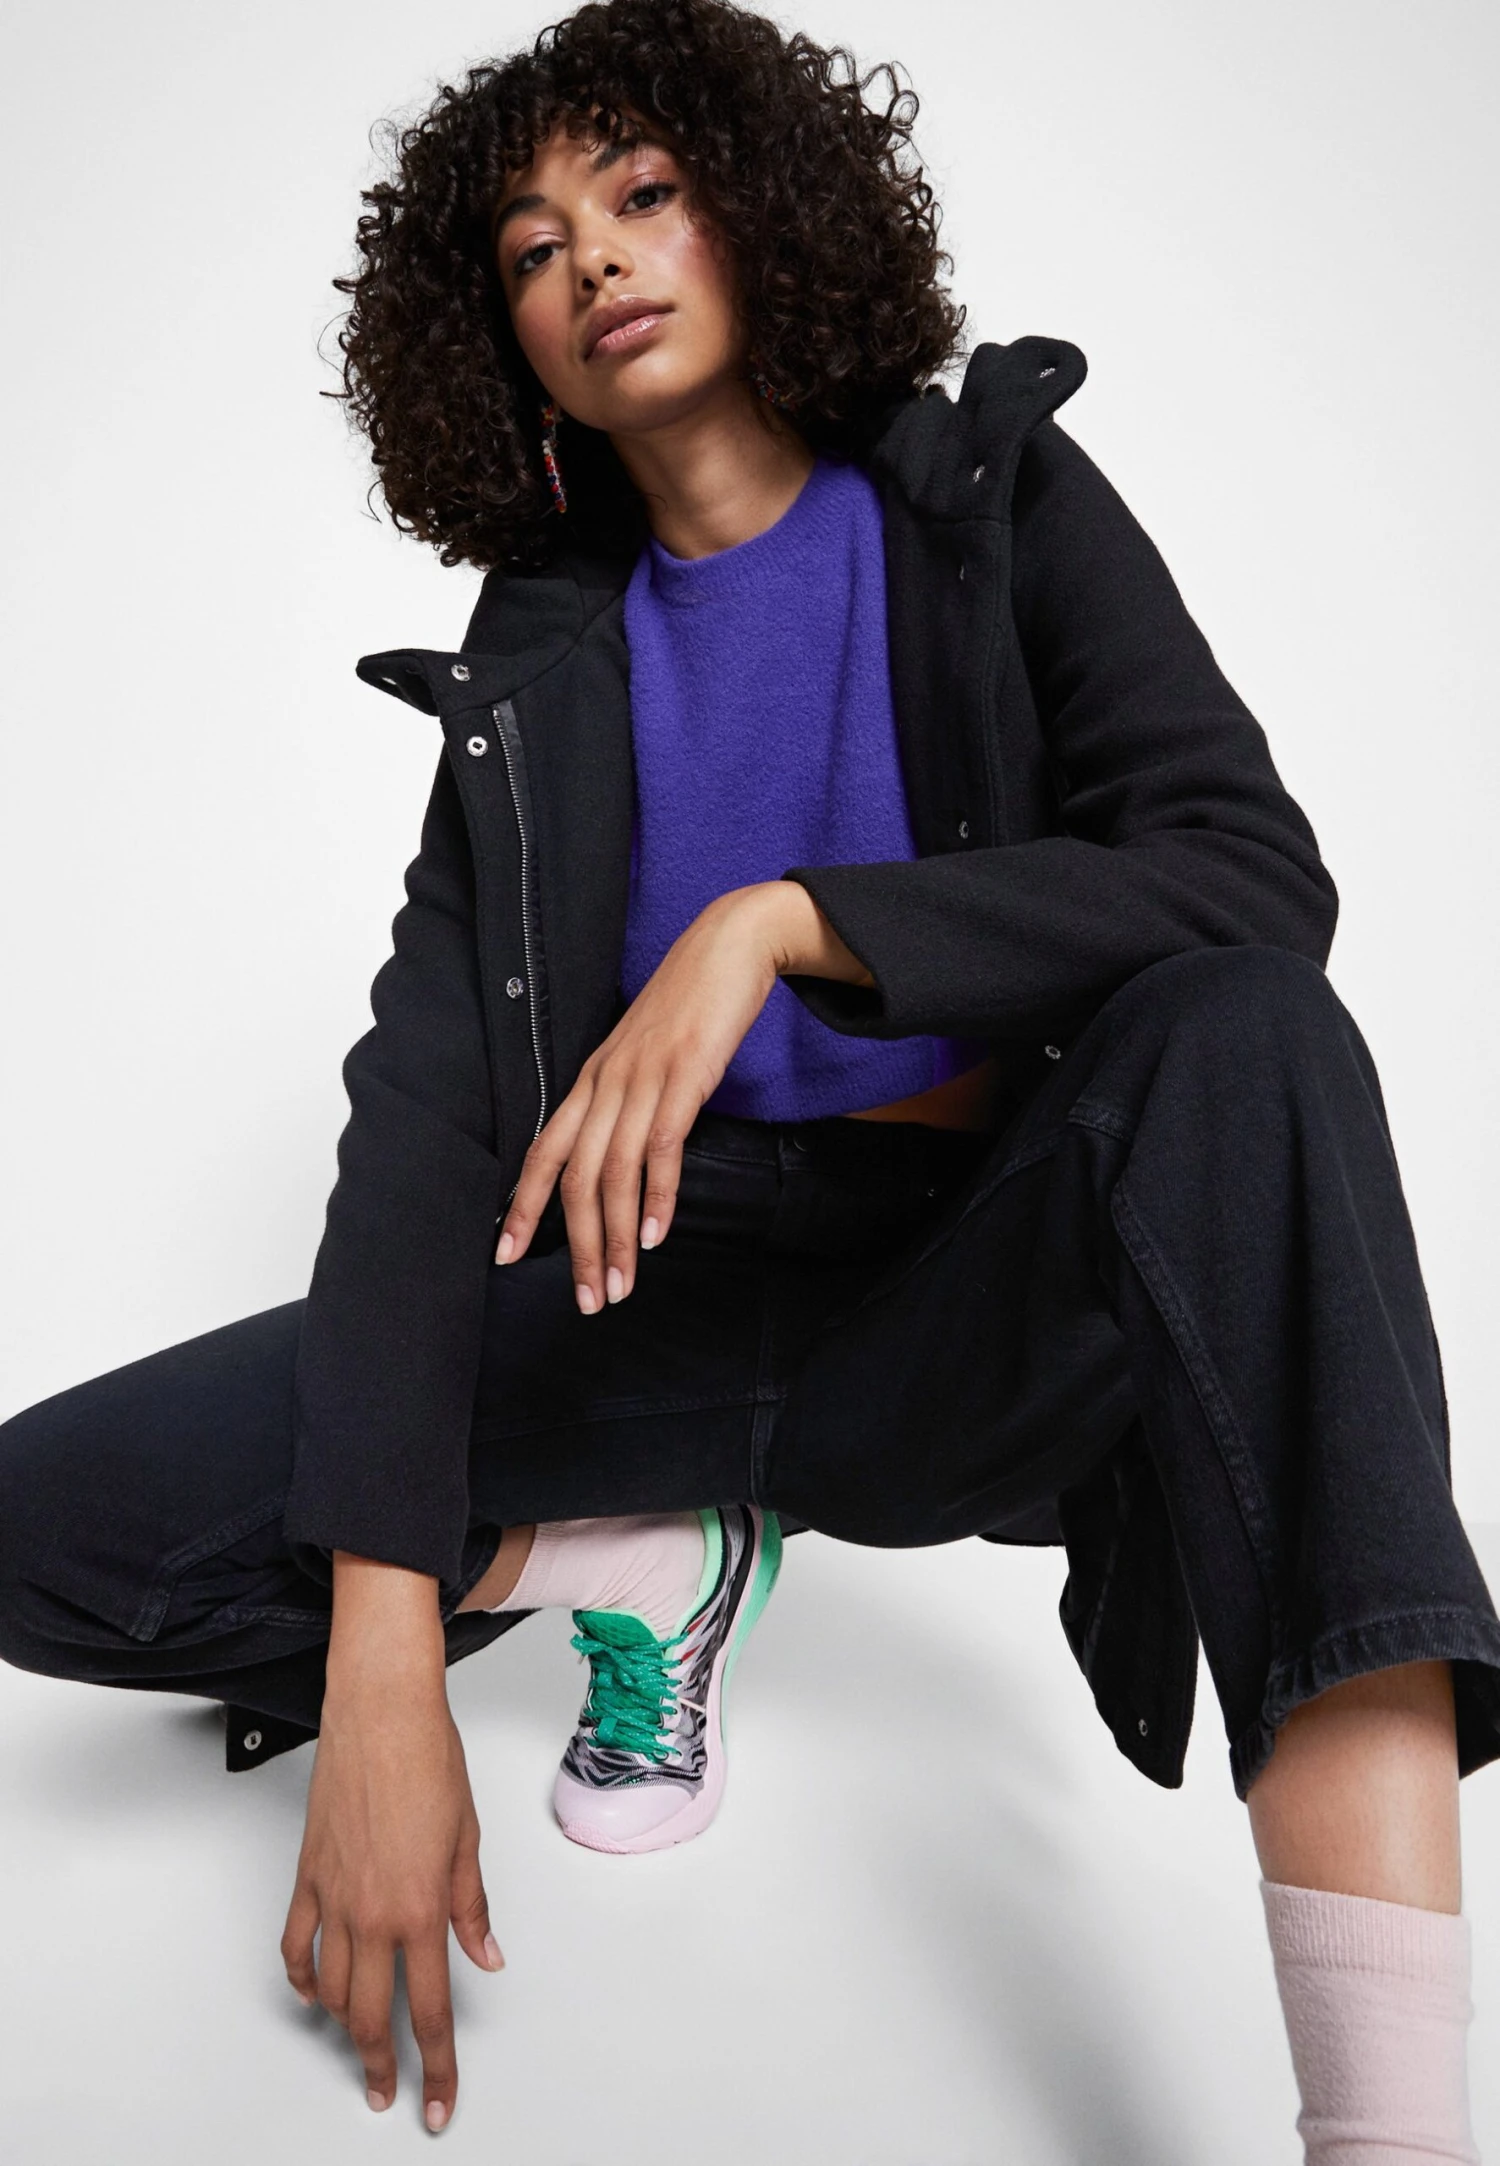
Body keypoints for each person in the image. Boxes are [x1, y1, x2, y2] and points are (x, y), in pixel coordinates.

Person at [0, 0, 1496, 2151]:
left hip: (971, 1294)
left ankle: (1393, 2132)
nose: (593, 259)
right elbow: (421, 1130)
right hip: (656, 1296)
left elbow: (1249, 879)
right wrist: (385, 1664)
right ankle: (632, 1565)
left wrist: (783, 922)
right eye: (531, 246)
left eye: (640, 191)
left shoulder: (984, 497)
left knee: (1255, 1036)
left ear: (759, 209)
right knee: (43, 1523)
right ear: (499, 340)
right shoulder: (536, 656)